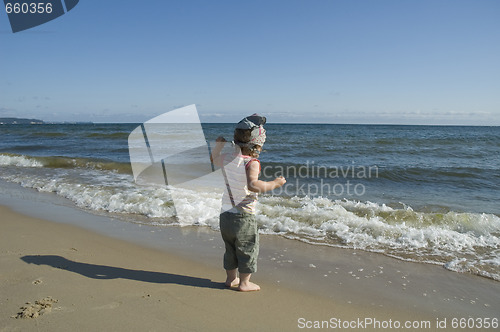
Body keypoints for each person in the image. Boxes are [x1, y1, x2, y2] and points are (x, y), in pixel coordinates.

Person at [211, 114, 286, 291]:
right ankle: (244, 283)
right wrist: (275, 183)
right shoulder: (252, 163)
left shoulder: (228, 159)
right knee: (247, 248)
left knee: (230, 249)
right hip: (243, 217)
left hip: (225, 215)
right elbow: (253, 185)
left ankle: (231, 280)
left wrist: (218, 146)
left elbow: (213, 160)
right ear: (257, 145)